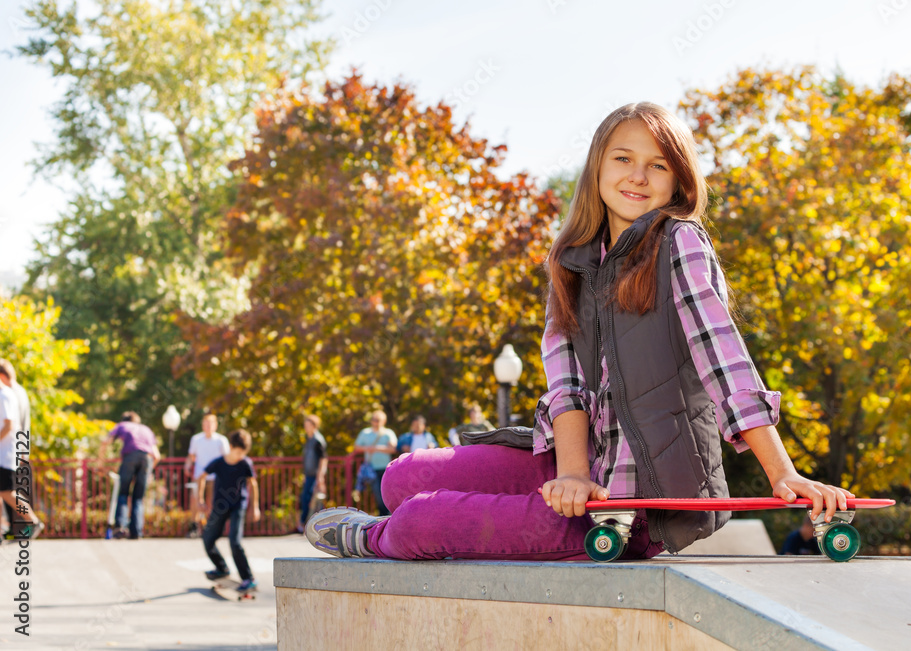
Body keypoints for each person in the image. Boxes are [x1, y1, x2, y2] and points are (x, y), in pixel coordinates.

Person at [306, 102, 852, 561]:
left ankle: (375, 537)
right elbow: (565, 384)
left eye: (658, 165)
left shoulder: (678, 243)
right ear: (597, 167)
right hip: (578, 471)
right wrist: (569, 475)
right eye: (623, 158)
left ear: (678, 181)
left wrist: (784, 474)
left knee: (421, 520)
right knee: (401, 477)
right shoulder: (572, 262)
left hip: (637, 503)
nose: (638, 176)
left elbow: (723, 360)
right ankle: (404, 517)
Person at [199, 429, 260, 594]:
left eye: (243, 453)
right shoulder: (219, 462)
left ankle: (248, 578)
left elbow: (253, 484)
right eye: (238, 452)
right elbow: (202, 477)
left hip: (238, 505)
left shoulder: (245, 463)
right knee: (208, 538)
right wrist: (201, 500)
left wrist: (255, 507)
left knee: (235, 541)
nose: (241, 456)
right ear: (231, 447)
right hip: (220, 506)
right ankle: (221, 568)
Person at [99, 411, 161, 539]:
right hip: (146, 459)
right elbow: (157, 456)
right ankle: (136, 532)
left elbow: (105, 442)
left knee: (123, 493)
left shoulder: (122, 425)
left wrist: (101, 462)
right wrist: (148, 471)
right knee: (138, 497)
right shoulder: (146, 429)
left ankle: (120, 528)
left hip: (130, 458)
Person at [0, 359, 43, 539]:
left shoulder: (11, 393)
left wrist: (23, 450)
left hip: (9, 450)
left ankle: (32, 521)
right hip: (13, 449)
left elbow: (16, 423)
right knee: (5, 490)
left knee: (8, 491)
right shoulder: (19, 391)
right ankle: (7, 529)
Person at [184, 414, 230, 537]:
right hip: (199, 476)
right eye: (206, 423)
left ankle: (210, 528)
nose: (208, 426)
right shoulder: (196, 439)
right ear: (203, 425)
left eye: (210, 423)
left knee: (212, 502)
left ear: (215, 425)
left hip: (215, 477)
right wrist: (187, 465)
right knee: (195, 501)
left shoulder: (221, 440)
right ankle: (194, 527)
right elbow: (191, 456)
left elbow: (227, 459)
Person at [351, 411, 397, 516]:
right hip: (372, 469)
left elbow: (392, 448)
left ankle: (387, 519)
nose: (375, 422)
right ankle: (383, 518)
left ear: (383, 421)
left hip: (386, 469)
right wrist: (368, 448)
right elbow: (357, 446)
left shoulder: (388, 433)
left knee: (387, 495)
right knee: (378, 495)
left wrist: (376, 448)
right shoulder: (365, 433)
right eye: (373, 420)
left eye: (378, 420)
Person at [298, 415, 327, 533]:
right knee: (310, 500)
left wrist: (320, 476)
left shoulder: (318, 440)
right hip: (309, 475)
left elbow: (323, 459)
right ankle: (317, 526)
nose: (306, 427)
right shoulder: (309, 439)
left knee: (311, 500)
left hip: (315, 475)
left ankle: (308, 524)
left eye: (308, 425)